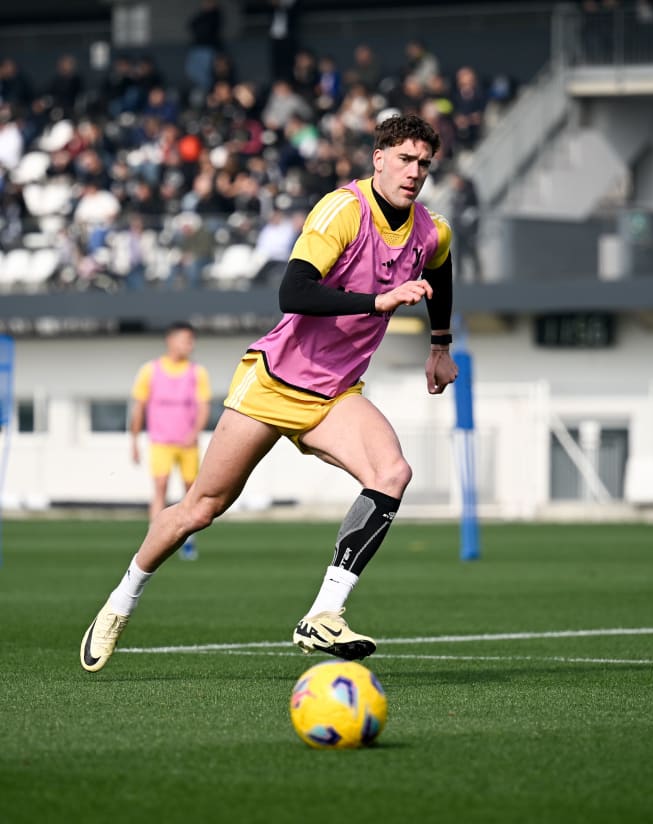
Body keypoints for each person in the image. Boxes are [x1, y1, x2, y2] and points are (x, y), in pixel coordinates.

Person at [80, 114, 457, 672]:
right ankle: (120, 601)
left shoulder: (432, 229)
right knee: (199, 509)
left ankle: (324, 614)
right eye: (404, 159)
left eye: (424, 164)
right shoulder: (343, 209)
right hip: (275, 381)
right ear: (378, 158)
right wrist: (374, 302)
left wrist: (440, 344)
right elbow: (293, 291)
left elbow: (442, 272)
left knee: (392, 473)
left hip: (335, 395)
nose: (414, 172)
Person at [128, 322, 212, 560]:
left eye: (192, 340)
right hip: (161, 442)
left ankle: (188, 540)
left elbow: (203, 407)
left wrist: (194, 433)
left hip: (188, 444)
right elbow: (139, 407)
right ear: (171, 340)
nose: (190, 345)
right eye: (186, 339)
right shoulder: (150, 370)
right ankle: (153, 542)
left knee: (191, 493)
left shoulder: (197, 372)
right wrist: (134, 441)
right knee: (160, 489)